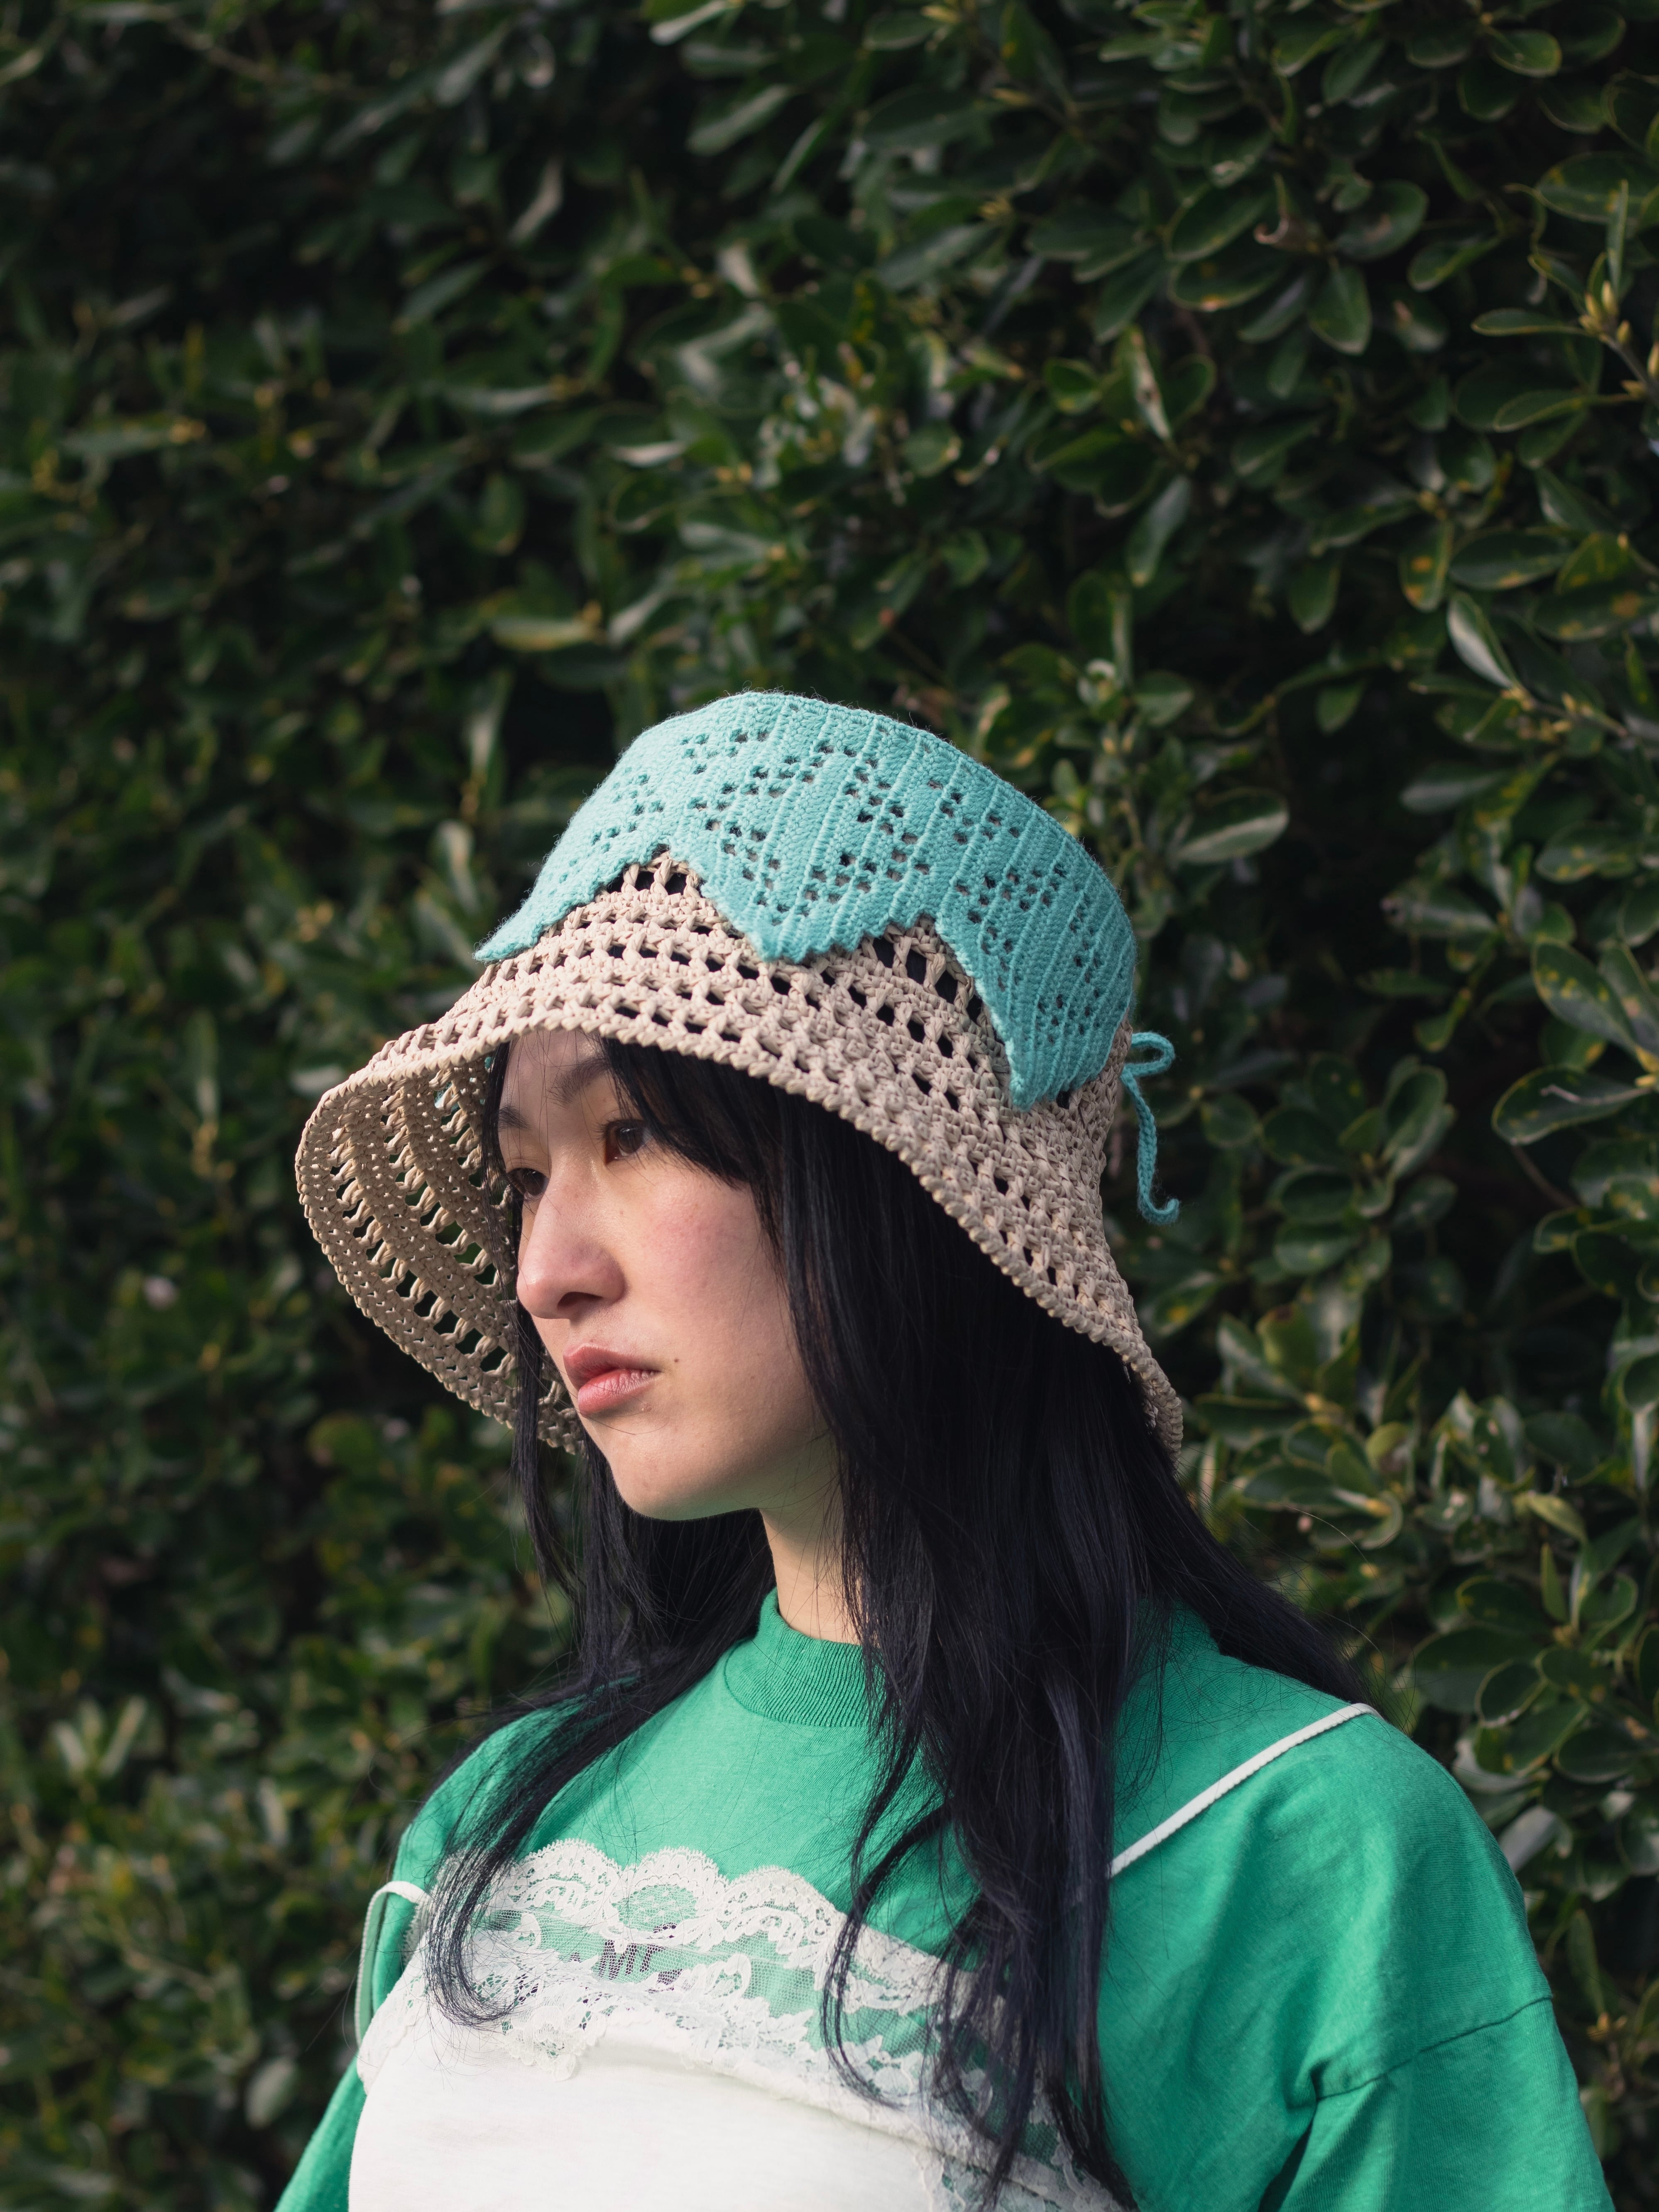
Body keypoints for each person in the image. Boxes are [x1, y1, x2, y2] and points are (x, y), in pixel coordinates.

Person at [281, 692, 1608, 2212]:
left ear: (901, 1177)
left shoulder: (1301, 1848)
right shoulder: (503, 1823)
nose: (544, 1270)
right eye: (526, 1174)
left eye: (630, 1135)